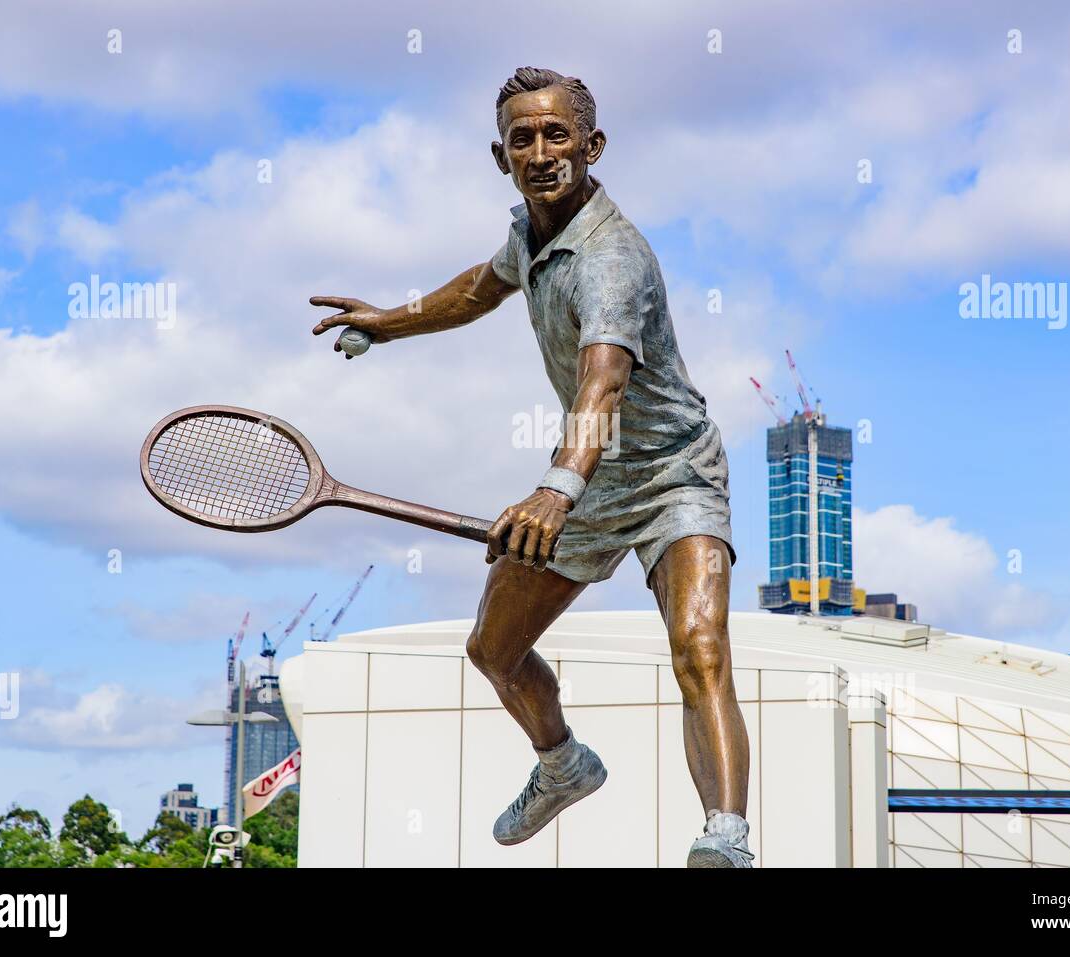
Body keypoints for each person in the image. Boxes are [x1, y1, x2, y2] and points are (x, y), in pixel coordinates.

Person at [311, 67, 752, 867]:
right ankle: (563, 764)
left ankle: (726, 838)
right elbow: (480, 289)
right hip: (587, 482)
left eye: (557, 134)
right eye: (524, 138)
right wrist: (386, 322)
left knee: (700, 644)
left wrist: (557, 486)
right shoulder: (529, 238)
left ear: (593, 146)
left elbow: (603, 380)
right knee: (493, 650)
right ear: (500, 155)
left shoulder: (611, 259)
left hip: (670, 473)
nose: (541, 151)